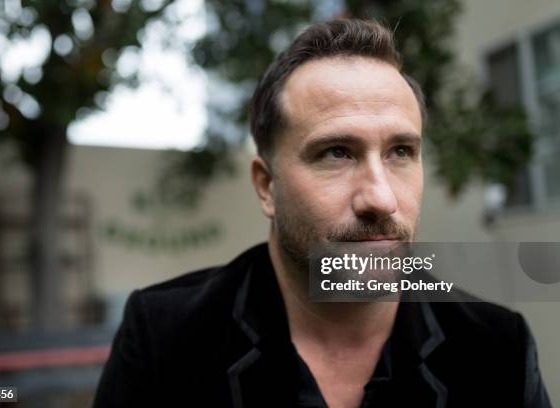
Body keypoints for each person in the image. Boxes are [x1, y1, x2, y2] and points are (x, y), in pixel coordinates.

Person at [93, 19, 551, 407]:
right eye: (336, 153)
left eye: (400, 152)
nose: (381, 198)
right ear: (266, 185)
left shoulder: (497, 348)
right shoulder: (165, 337)